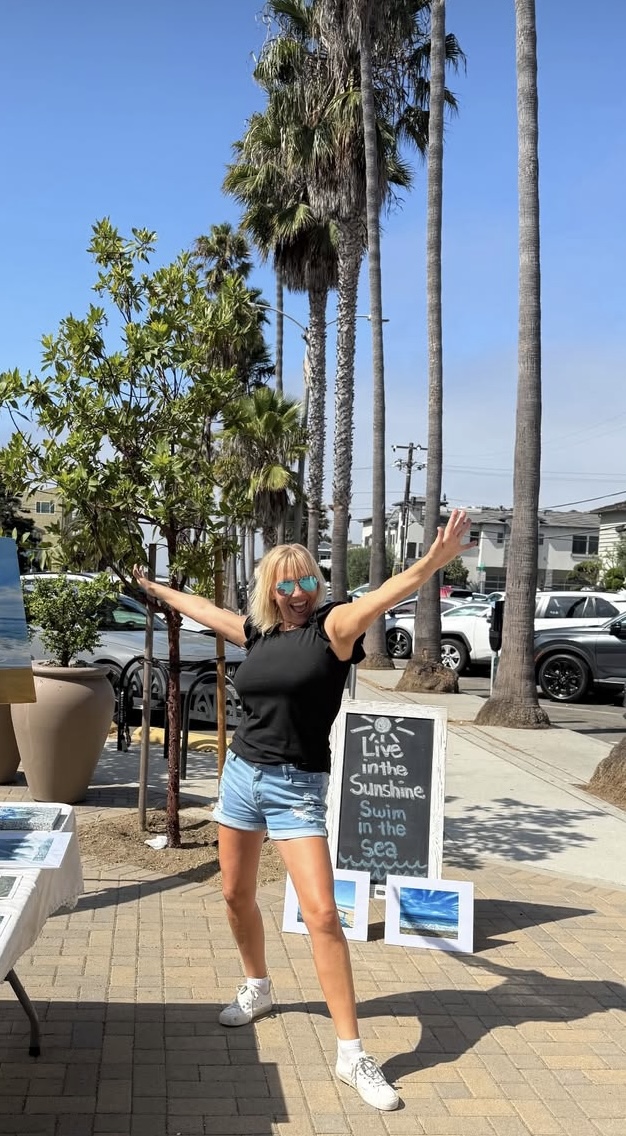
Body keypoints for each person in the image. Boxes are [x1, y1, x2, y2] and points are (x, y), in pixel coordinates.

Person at [133, 508, 472, 1111]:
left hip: (296, 789)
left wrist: (433, 562)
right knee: (235, 895)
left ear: (317, 584)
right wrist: (154, 588)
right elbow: (203, 611)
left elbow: (387, 594)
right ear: (270, 589)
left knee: (321, 914)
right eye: (284, 584)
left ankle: (351, 1054)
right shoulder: (258, 633)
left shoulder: (334, 629)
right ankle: (258, 986)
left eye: (306, 580)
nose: (296, 593)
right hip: (240, 778)